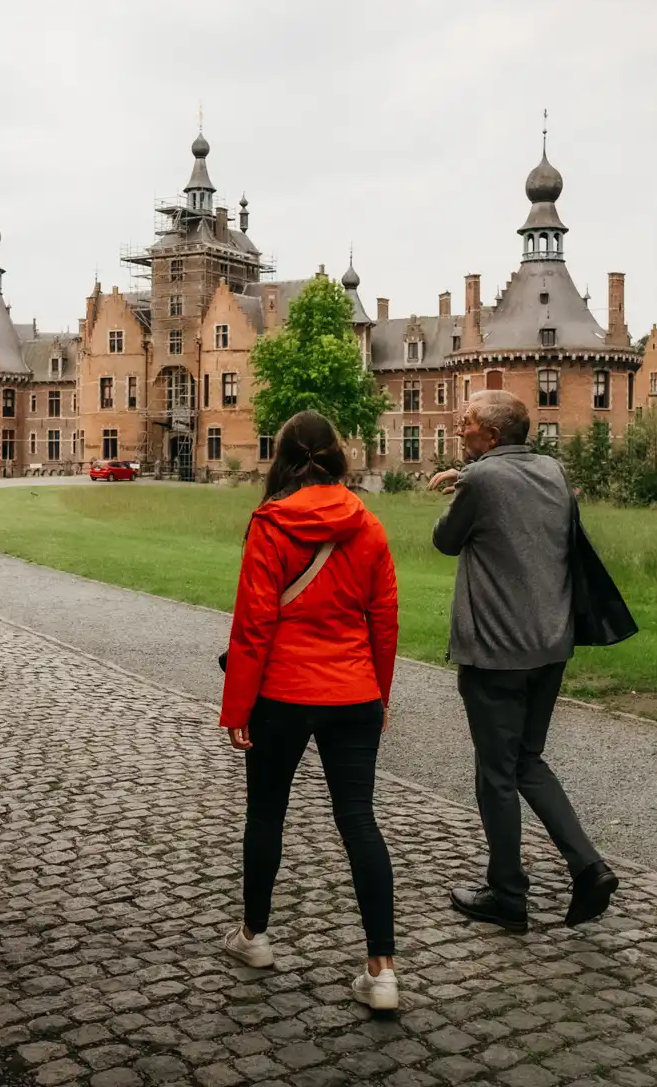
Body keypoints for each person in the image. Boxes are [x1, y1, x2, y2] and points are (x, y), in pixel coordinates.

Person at [219, 409, 403, 1011]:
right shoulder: (368, 524)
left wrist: (237, 705)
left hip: (282, 693)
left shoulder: (271, 523)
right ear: (338, 456)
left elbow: (254, 623)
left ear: (283, 458)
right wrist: (380, 693)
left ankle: (255, 936)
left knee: (266, 814)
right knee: (360, 822)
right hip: (353, 691)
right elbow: (384, 622)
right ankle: (382, 970)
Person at [427, 390, 618, 932]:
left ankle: (507, 893)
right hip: (550, 644)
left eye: (466, 421)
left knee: (496, 773)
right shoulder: (552, 470)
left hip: (496, 652)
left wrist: (464, 481)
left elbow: (445, 540)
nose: (459, 427)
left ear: (490, 435)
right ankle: (589, 867)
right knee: (527, 760)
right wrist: (468, 476)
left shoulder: (481, 479)